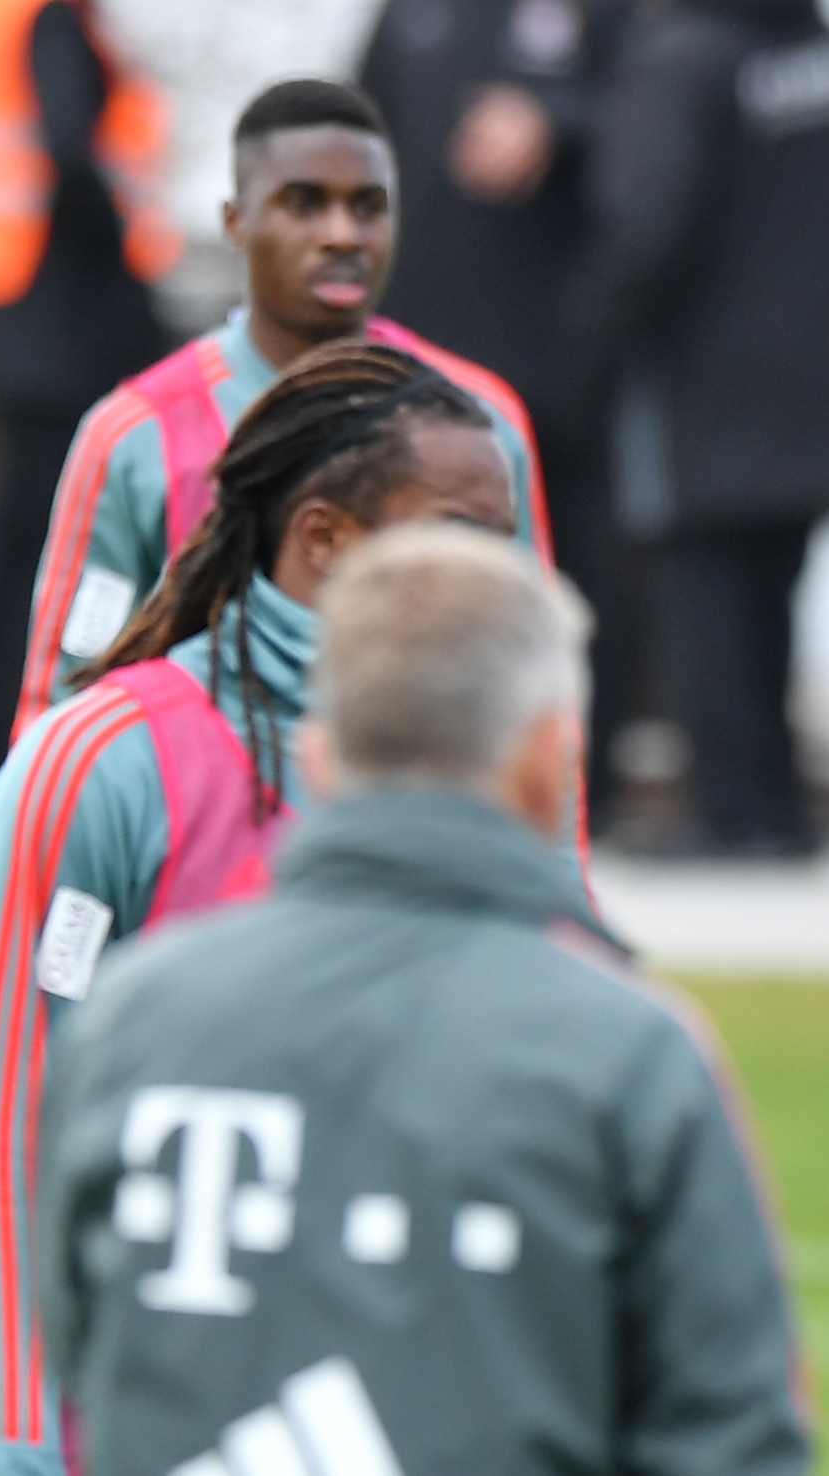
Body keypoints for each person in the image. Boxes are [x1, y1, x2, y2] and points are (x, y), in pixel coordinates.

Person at [40, 524, 811, 1476]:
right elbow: (732, 1441)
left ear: (319, 762)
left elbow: (76, 1353)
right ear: (545, 763)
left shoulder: (130, 1018)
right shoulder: (631, 1054)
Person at [0, 342, 519, 1475]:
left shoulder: (492, 775)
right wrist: (7, 1446)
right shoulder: (103, 758)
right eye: (457, 541)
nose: (502, 593)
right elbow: (3, 1125)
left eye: (507, 552)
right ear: (324, 541)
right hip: (166, 1417)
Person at [15, 78, 554, 730]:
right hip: (206, 824)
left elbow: (537, 687)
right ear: (236, 221)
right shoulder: (136, 433)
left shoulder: (480, 421)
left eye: (368, 206)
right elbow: (68, 689)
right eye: (304, 204)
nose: (341, 234)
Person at [565, 0, 829, 856]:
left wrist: (584, 342)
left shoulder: (677, 59)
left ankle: (733, 815)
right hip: (806, 379)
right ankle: (775, 815)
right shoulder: (806, 48)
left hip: (700, 383)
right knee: (771, 596)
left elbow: (649, 224)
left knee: (703, 594)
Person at [360, 0, 635, 819]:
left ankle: (580, 782)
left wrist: (558, 122)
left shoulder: (605, 16)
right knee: (423, 574)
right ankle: (425, 777)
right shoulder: (409, 15)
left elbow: (659, 122)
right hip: (427, 372)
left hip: (564, 369)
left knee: (572, 577)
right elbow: (359, 134)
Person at [0, 0, 173, 833]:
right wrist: (138, 296)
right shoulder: (50, 19)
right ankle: (6, 758)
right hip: (62, 325)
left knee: (11, 547)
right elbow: (75, 157)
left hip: (12, 321)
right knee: (42, 553)